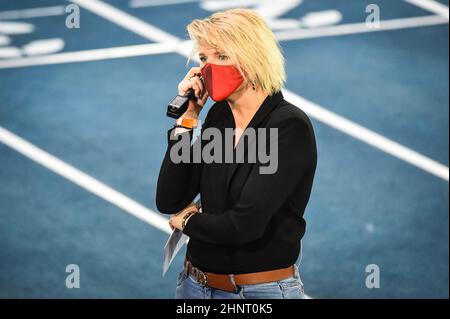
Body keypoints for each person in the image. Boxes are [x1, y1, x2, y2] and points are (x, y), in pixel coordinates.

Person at [156, 8, 317, 299]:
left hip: (257, 292)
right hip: (194, 284)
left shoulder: (287, 127)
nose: (209, 68)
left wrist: (189, 221)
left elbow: (243, 226)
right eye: (204, 58)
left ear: (252, 59)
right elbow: (170, 198)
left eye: (221, 56)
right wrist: (188, 120)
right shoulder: (220, 116)